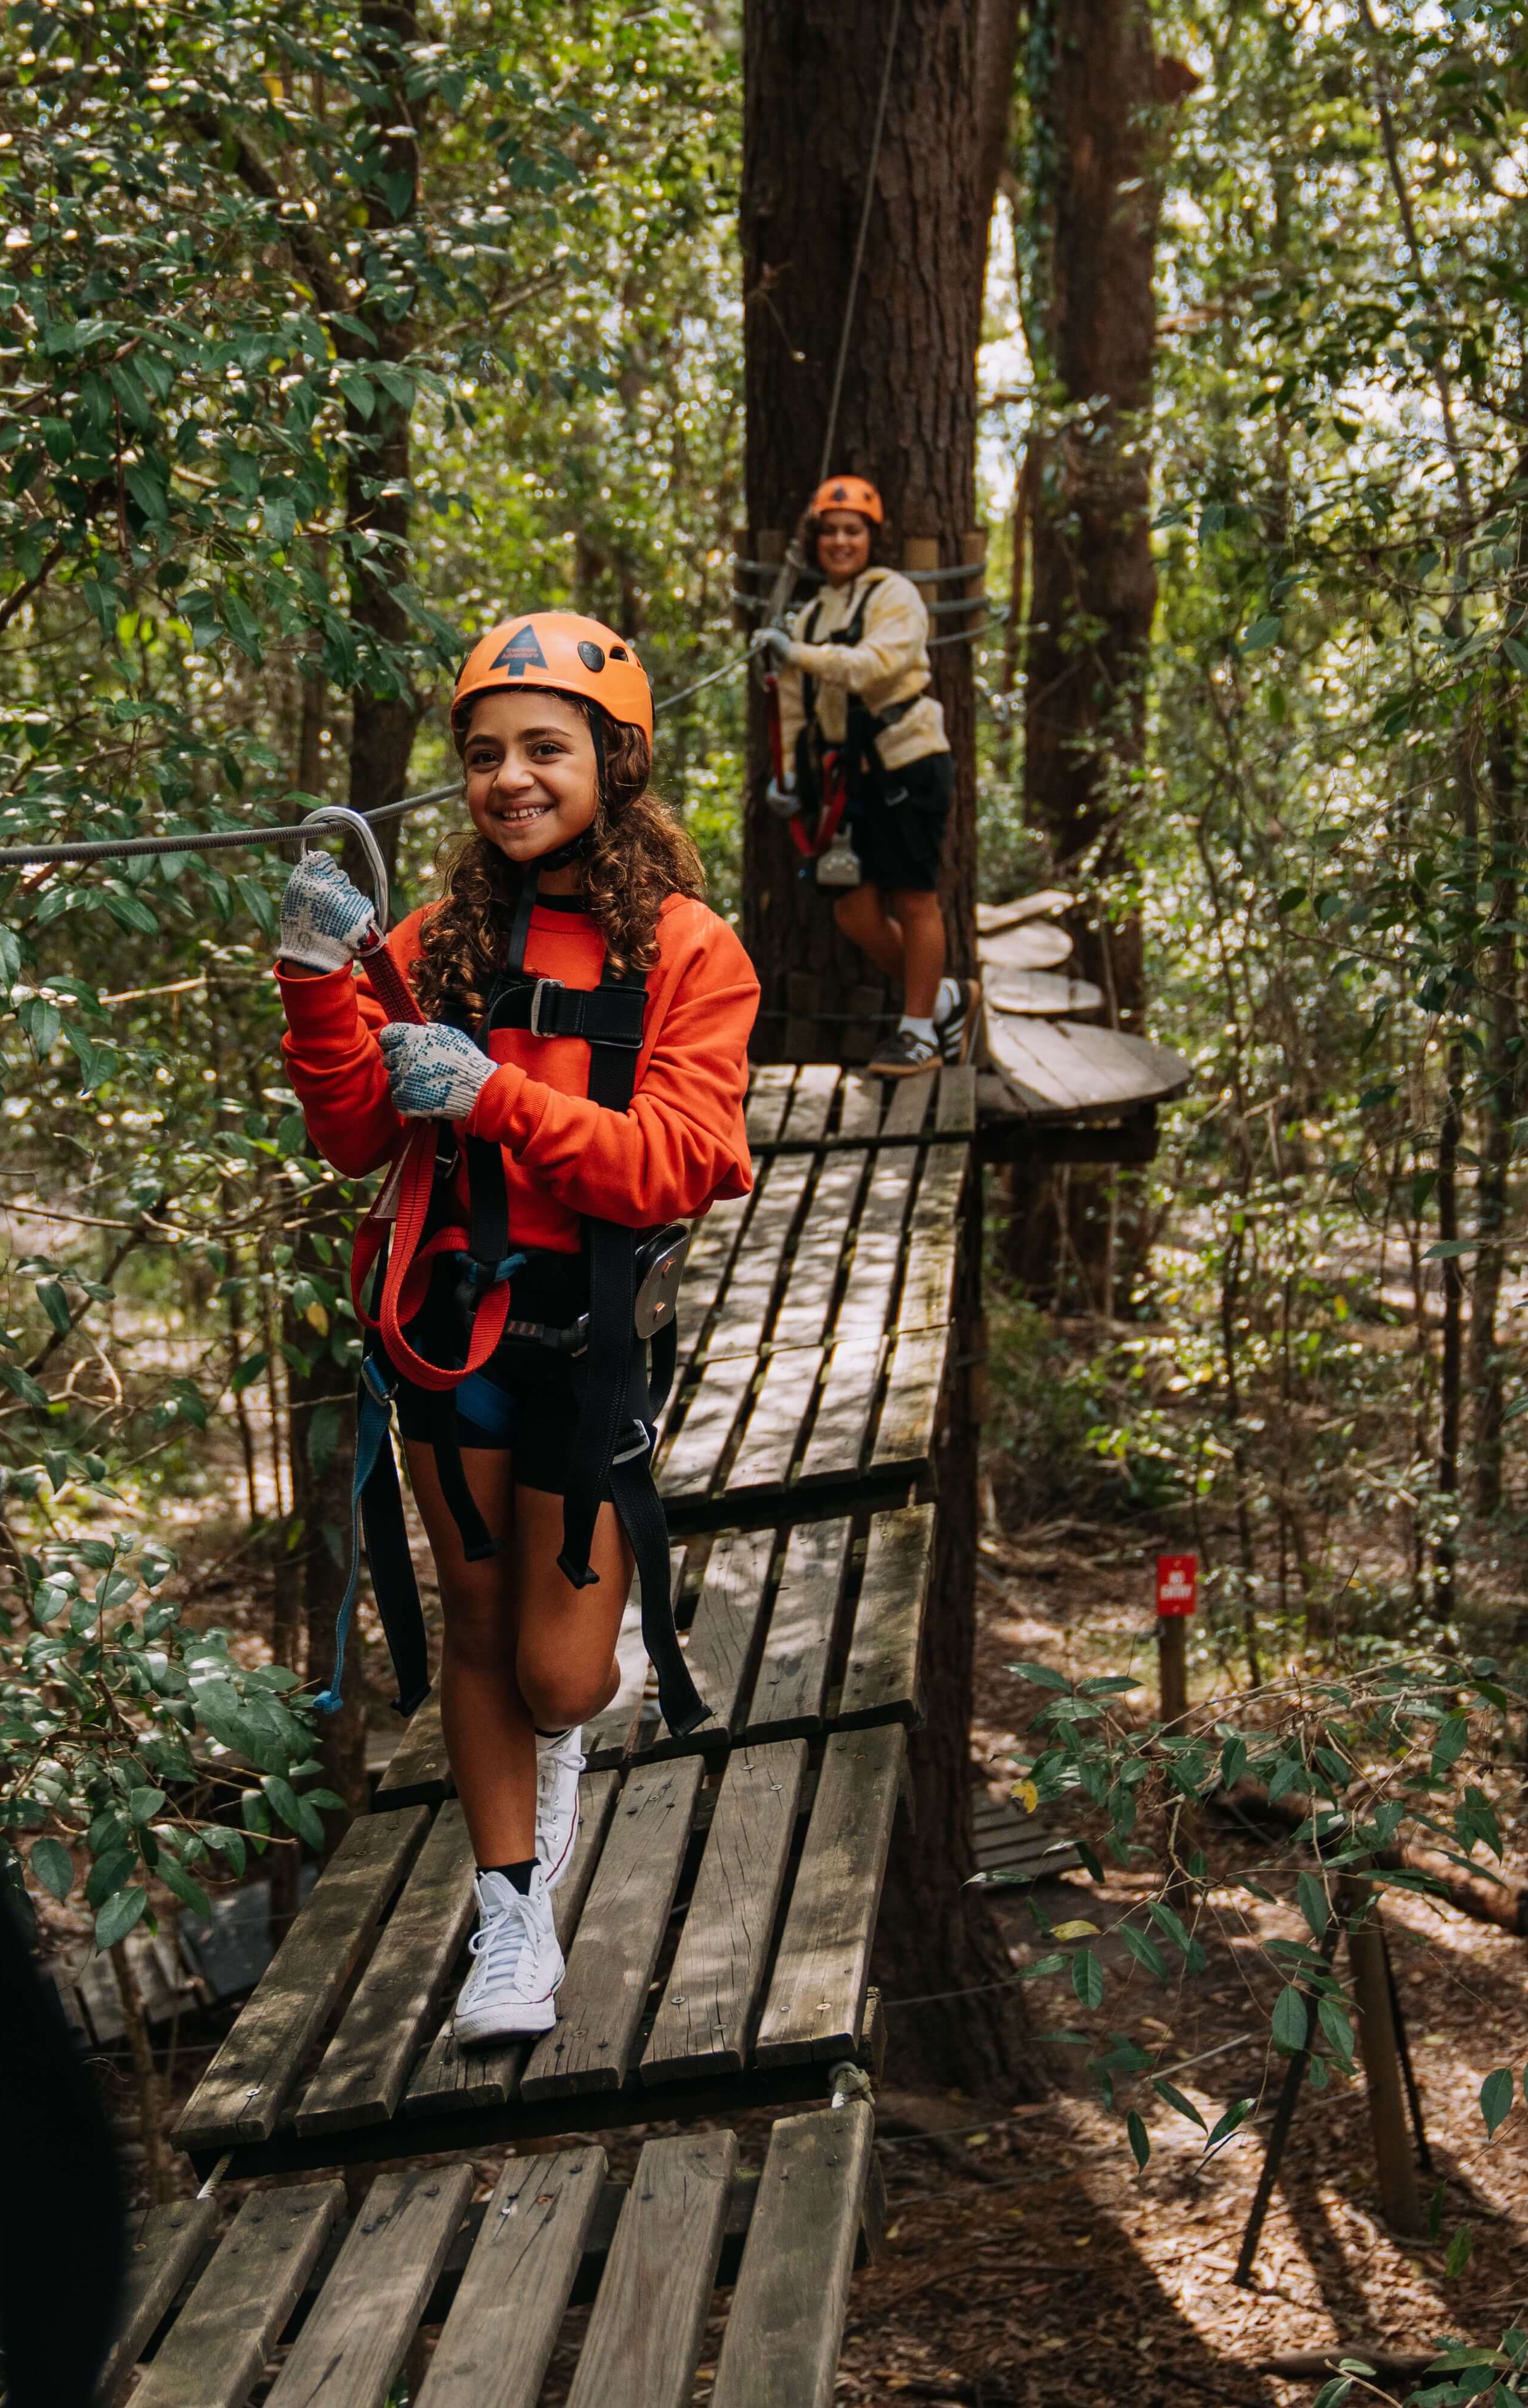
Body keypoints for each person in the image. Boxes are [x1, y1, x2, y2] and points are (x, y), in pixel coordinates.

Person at [273, 613, 759, 2046]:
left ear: (615, 763)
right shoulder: (434, 945)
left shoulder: (692, 951)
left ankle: (566, 1732)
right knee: (479, 1627)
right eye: (484, 754)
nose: (509, 778)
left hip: (590, 1338)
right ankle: (510, 1919)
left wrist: (496, 1097)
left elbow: (680, 1160)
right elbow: (355, 1134)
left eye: (545, 748)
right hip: (445, 1327)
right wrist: (315, 980)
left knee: (564, 1675)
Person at [756, 473, 962, 1076]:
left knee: (914, 896)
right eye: (831, 531)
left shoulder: (895, 595)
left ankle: (918, 1031)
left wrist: (798, 653)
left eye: (853, 531)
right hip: (846, 778)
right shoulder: (811, 615)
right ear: (816, 540)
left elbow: (874, 666)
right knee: (853, 910)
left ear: (872, 538)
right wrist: (788, 776)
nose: (841, 542)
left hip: (908, 762)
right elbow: (792, 701)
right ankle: (943, 999)